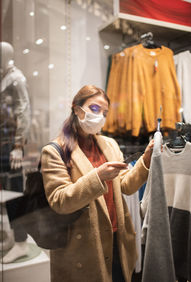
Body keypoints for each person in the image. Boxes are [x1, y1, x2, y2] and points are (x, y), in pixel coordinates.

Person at [41, 85, 154, 282]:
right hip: (82, 247)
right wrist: (98, 176)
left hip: (117, 240)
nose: (100, 116)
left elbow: (125, 185)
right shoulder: (54, 151)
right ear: (77, 109)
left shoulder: (109, 144)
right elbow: (60, 201)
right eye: (94, 109)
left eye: (104, 112)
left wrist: (146, 160)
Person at [0, 42, 31, 263]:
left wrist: (19, 146)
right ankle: (12, 237)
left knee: (15, 193)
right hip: (4, 144)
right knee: (7, 194)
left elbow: (24, 109)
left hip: (11, 145)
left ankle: (21, 243)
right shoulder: (5, 78)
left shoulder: (16, 78)